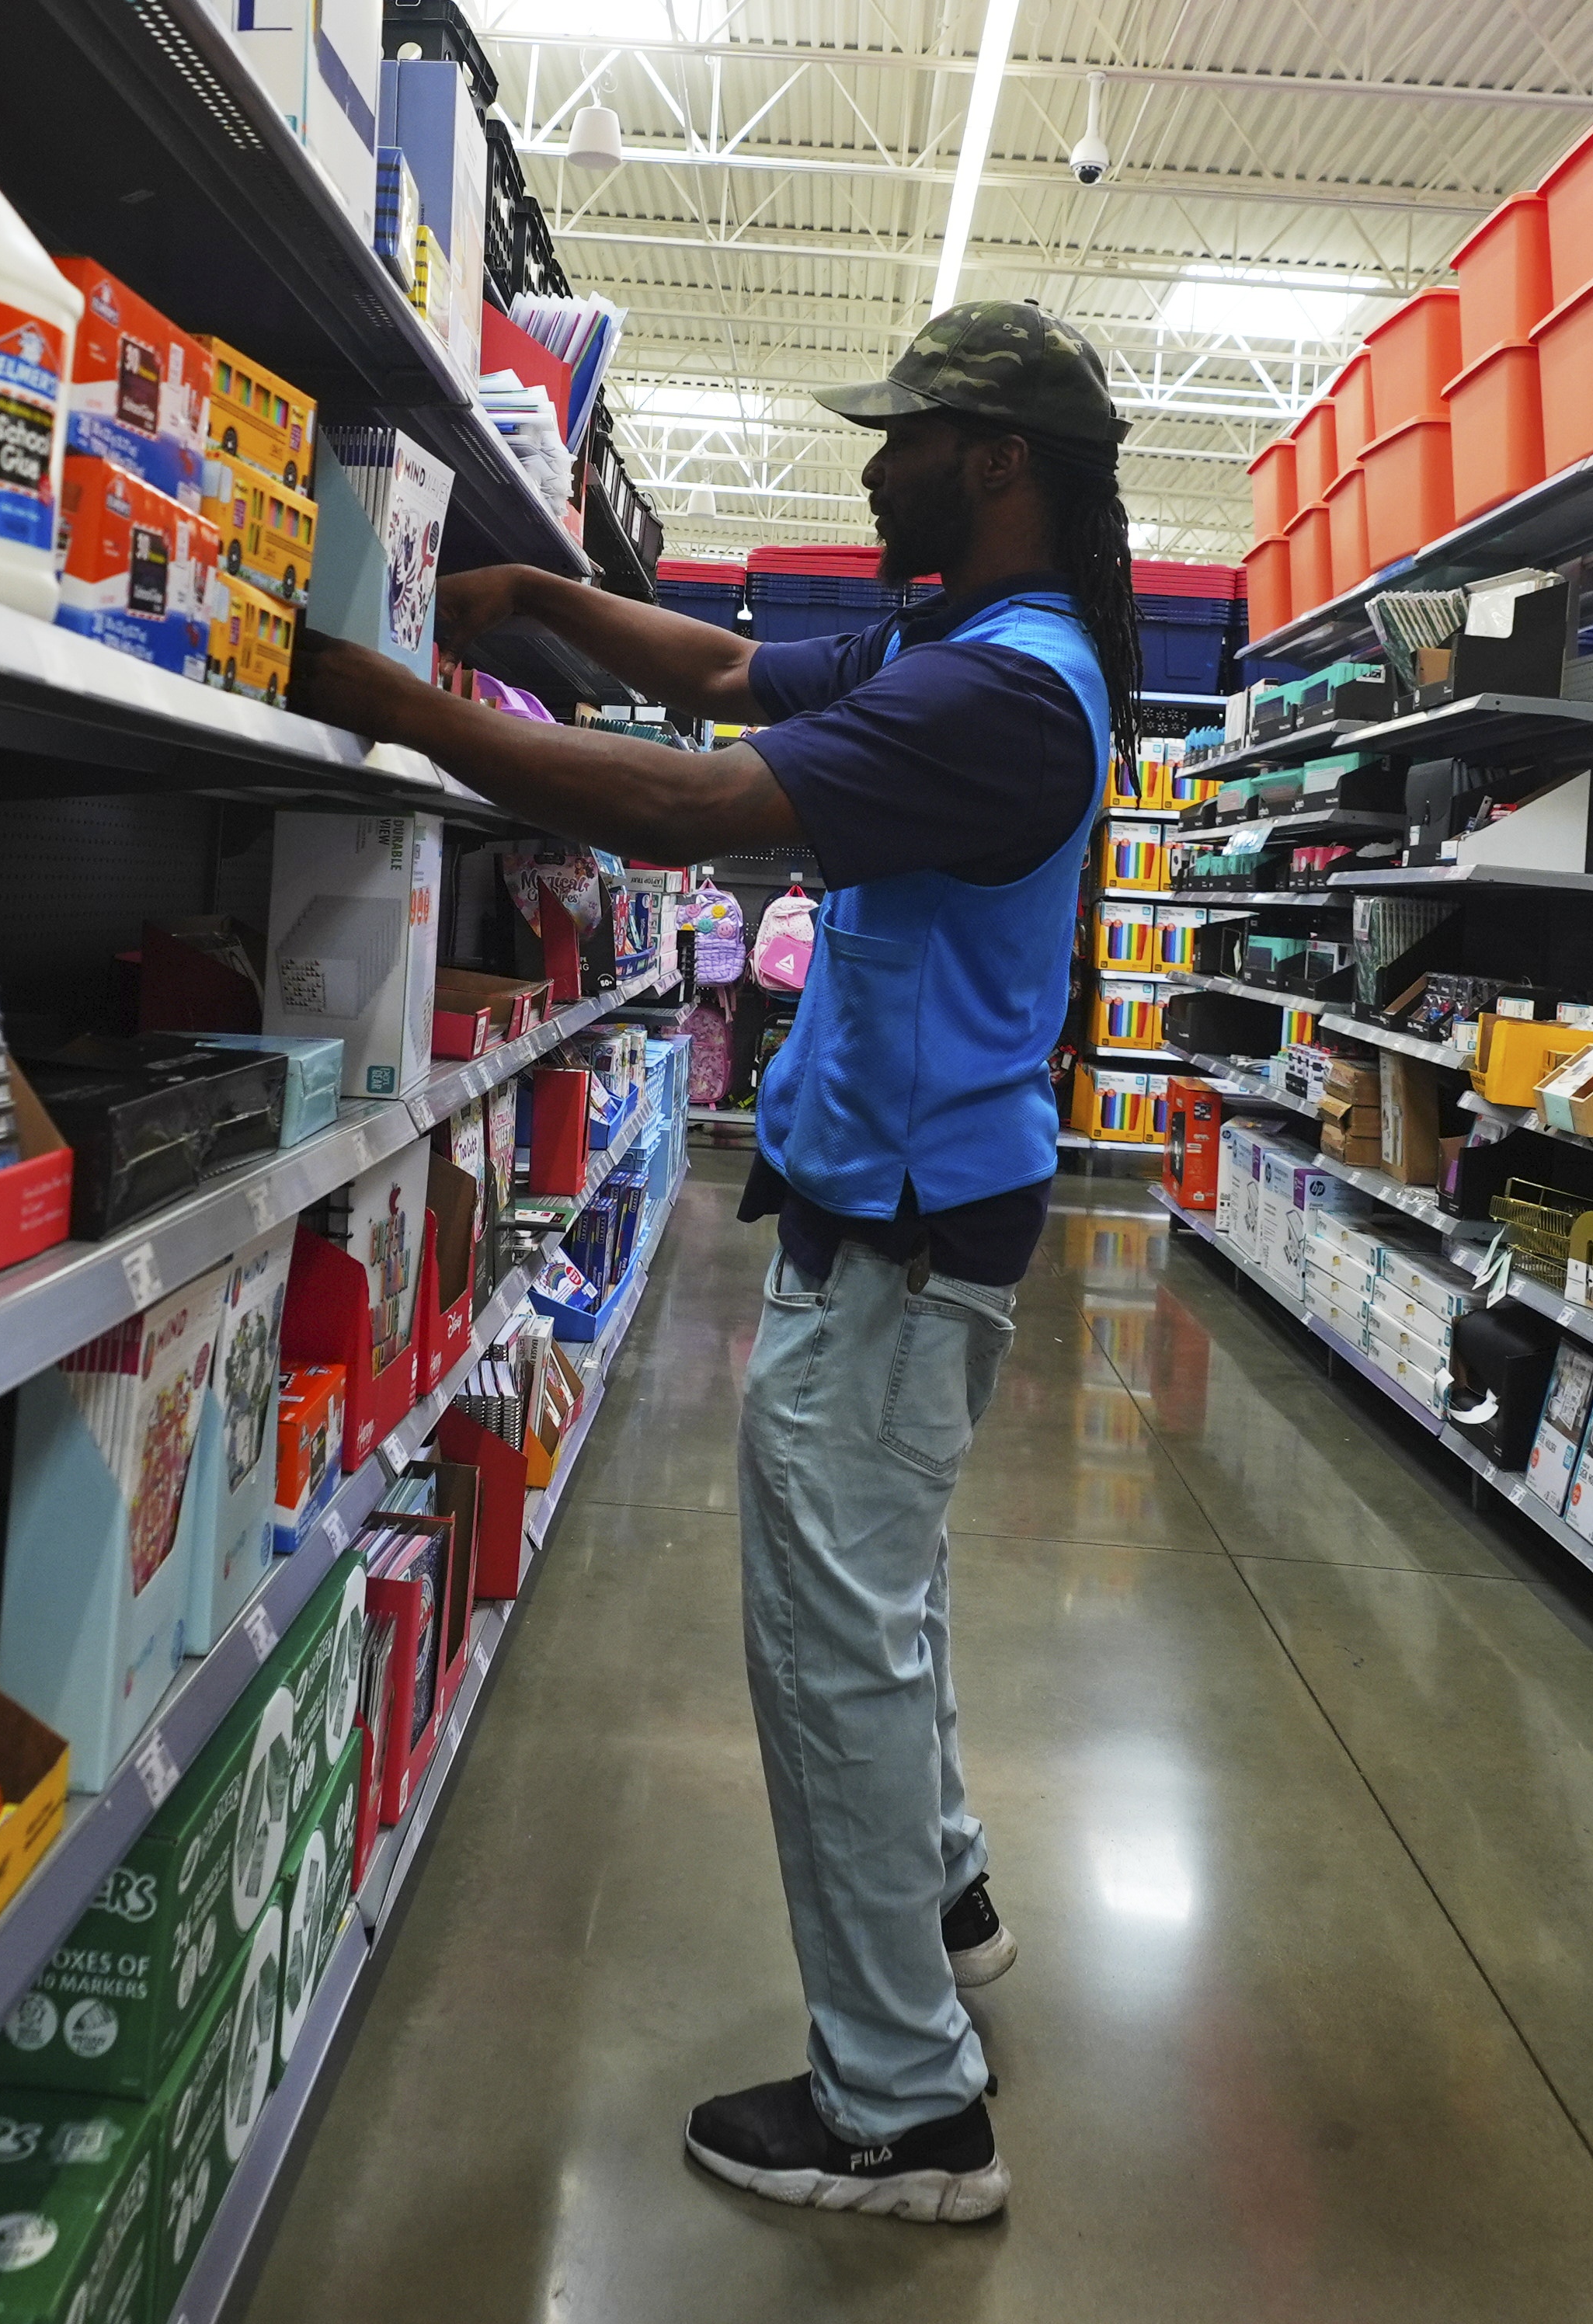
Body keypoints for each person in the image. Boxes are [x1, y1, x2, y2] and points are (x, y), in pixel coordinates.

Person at [290, 298, 1141, 2228]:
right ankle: (951, 1897)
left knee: (829, 1644)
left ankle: (905, 2108)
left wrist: (409, 702)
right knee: (887, 1588)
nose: (869, 467)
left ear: (994, 459)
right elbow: (740, 668)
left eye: (900, 437)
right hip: (920, 1198)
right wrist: (544, 597)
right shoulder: (985, 638)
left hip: (908, 1227)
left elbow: (694, 802)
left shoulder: (1004, 695)